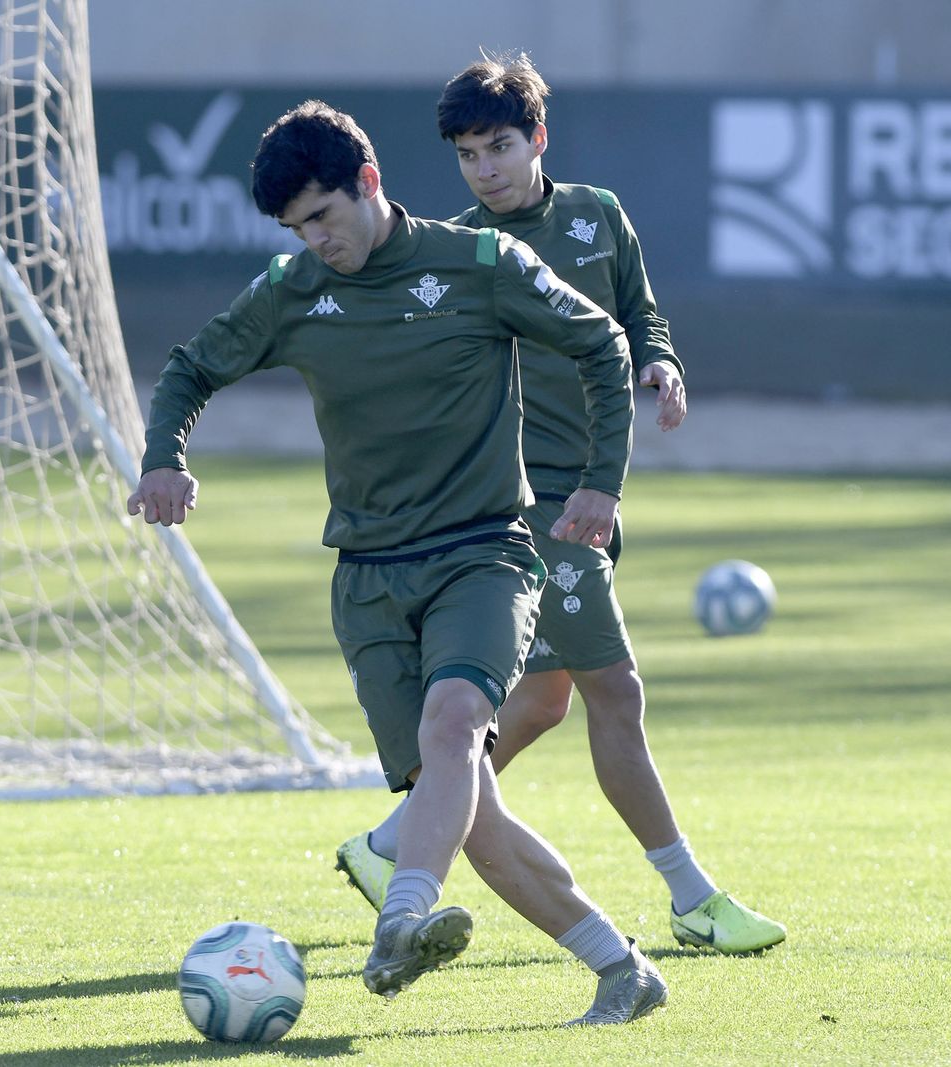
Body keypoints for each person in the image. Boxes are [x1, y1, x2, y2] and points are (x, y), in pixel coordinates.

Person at [129, 100, 667, 1026]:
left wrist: (599, 485)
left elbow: (602, 341)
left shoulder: (479, 265)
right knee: (470, 816)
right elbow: (189, 368)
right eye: (297, 228)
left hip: (484, 555)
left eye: (324, 217)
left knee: (457, 722)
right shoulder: (293, 291)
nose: (315, 241)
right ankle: (621, 966)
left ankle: (402, 916)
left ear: (368, 183)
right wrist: (164, 457)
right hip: (370, 578)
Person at [334, 53, 787, 957]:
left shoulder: (598, 215)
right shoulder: (458, 256)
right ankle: (690, 896)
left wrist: (663, 361)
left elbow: (640, 315)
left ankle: (390, 844)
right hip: (530, 513)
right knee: (616, 690)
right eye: (467, 155)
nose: (485, 168)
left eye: (499, 146)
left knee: (540, 703)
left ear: (538, 138)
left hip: (589, 491)